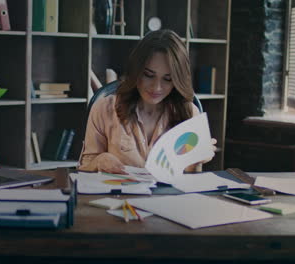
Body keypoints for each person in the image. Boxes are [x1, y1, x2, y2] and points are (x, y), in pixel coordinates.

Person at [78, 29, 216, 174]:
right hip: (119, 195)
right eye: (149, 75)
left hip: (169, 196)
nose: (156, 87)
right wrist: (99, 160)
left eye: (167, 79)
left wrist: (197, 159)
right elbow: (85, 167)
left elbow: (191, 179)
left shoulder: (188, 112)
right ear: (136, 70)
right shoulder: (105, 108)